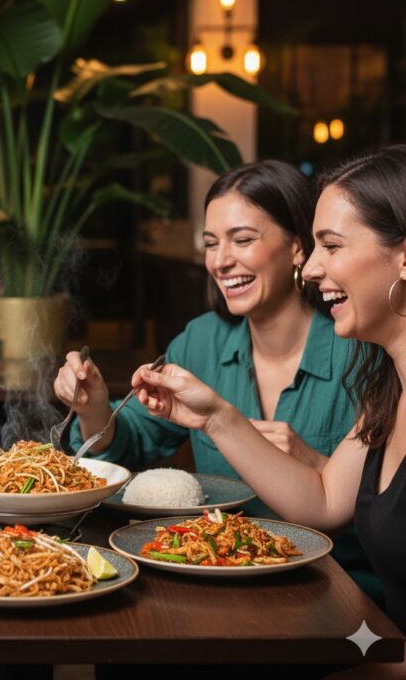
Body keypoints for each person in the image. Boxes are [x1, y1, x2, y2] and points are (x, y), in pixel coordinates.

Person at [132, 145, 406, 678]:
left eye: (330, 245)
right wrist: (214, 415)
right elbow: (323, 501)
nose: (313, 266)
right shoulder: (386, 389)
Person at [55, 161, 355, 479]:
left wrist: (317, 464)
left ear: (297, 246)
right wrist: (94, 409)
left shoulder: (356, 351)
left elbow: (389, 502)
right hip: (215, 531)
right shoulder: (201, 342)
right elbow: (131, 443)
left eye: (242, 240)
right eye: (211, 243)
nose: (220, 261)